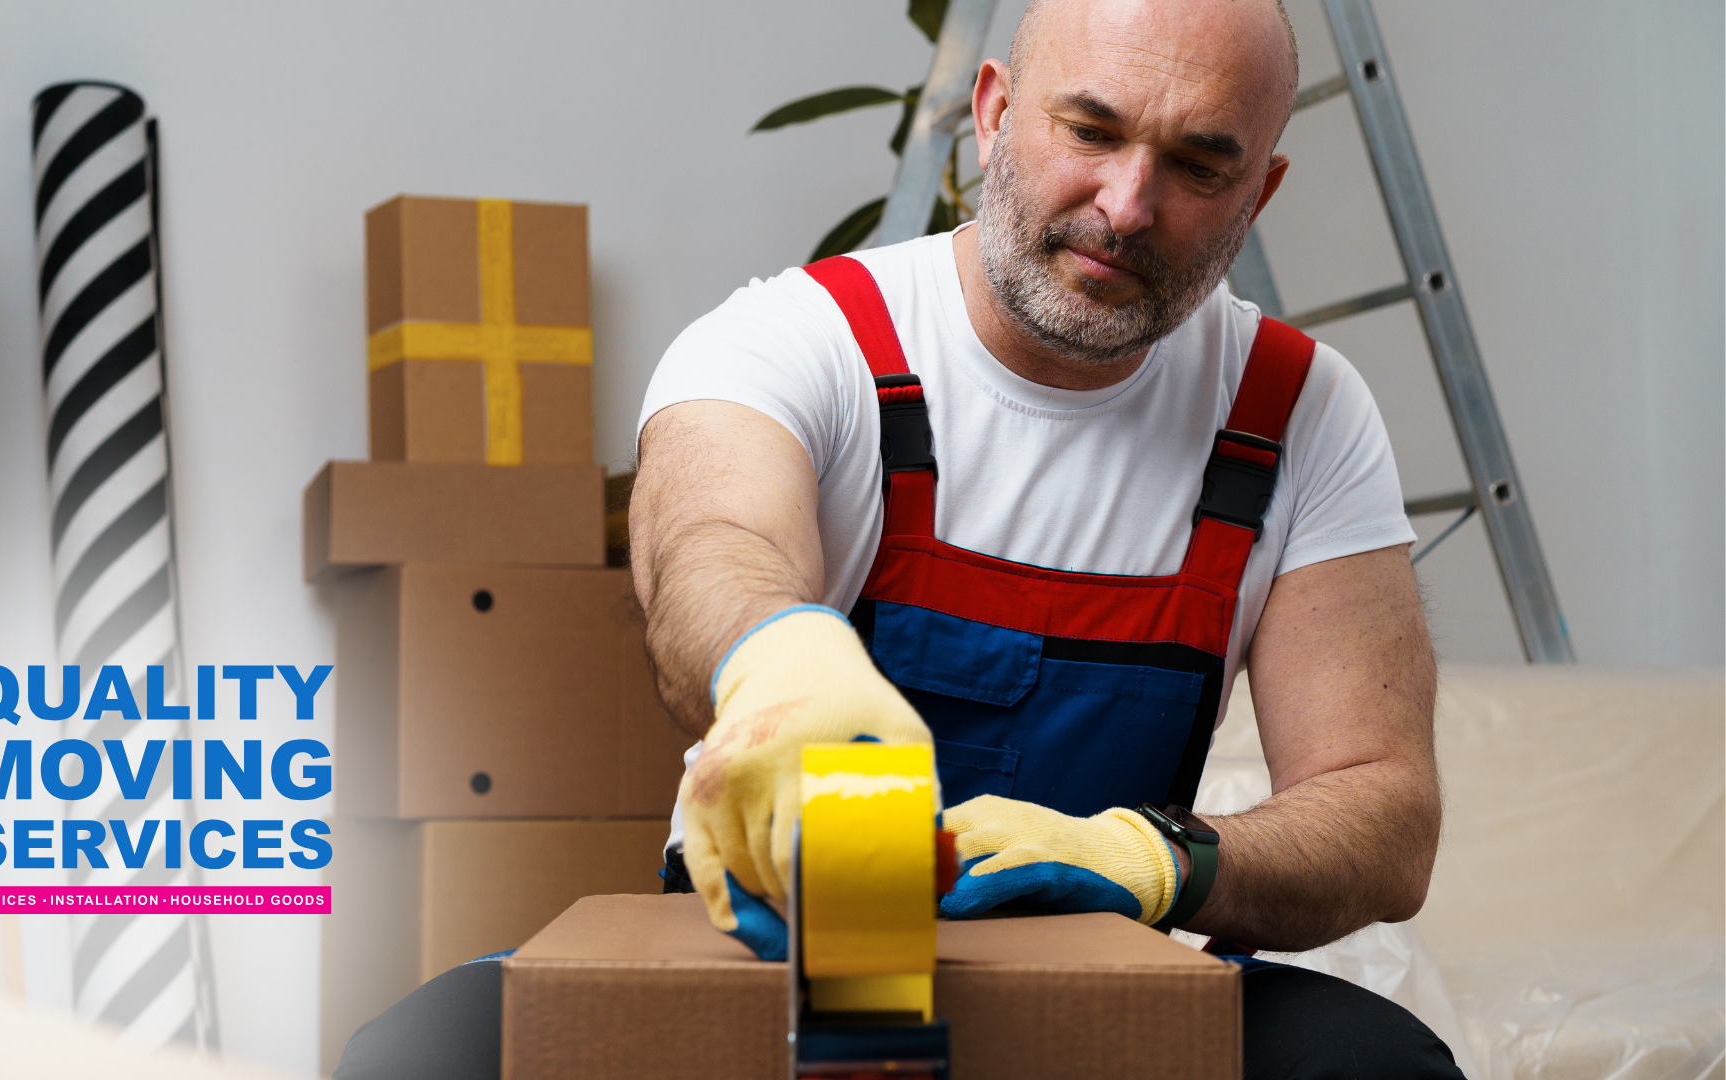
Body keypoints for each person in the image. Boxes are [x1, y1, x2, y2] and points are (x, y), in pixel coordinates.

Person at [337, 1, 1462, 1076]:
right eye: (1092, 129)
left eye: (1199, 163)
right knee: (420, 1059)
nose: (1127, 203)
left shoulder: (1297, 411)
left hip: (1089, 983)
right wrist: (786, 665)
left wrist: (1145, 858)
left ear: (1258, 190)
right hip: (768, 971)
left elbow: (1383, 814)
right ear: (992, 113)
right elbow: (710, 540)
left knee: (1376, 1064)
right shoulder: (799, 339)